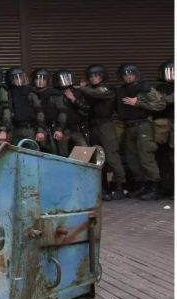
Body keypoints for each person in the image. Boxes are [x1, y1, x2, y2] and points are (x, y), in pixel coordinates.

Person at [116, 64, 165, 200]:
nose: (128, 76)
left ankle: (154, 187)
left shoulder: (144, 88)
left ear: (136, 74)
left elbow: (160, 104)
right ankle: (143, 185)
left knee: (146, 156)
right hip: (128, 127)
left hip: (143, 125)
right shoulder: (121, 91)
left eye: (131, 73)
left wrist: (138, 103)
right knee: (132, 159)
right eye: (125, 74)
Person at [81, 64, 125, 200]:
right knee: (97, 158)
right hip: (93, 126)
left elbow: (95, 93)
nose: (94, 78)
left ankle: (120, 187)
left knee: (112, 157)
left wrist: (83, 88)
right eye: (91, 76)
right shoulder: (88, 91)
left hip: (106, 125)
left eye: (97, 75)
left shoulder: (107, 90)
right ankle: (103, 187)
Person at [48, 70, 89, 155]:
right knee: (63, 154)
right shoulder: (54, 94)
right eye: (62, 79)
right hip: (62, 130)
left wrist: (73, 98)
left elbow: (85, 108)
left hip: (76, 129)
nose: (65, 82)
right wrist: (58, 129)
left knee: (84, 152)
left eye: (67, 78)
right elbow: (52, 113)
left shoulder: (77, 92)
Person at [6, 67, 45, 144]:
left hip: (30, 129)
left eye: (20, 77)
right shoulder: (8, 92)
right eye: (16, 78)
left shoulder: (31, 92)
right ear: (11, 80)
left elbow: (39, 111)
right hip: (15, 129)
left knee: (31, 152)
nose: (19, 80)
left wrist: (40, 130)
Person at [153, 61, 173, 197]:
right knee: (161, 157)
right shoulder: (158, 88)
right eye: (168, 72)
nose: (171, 75)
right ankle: (164, 187)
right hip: (161, 126)